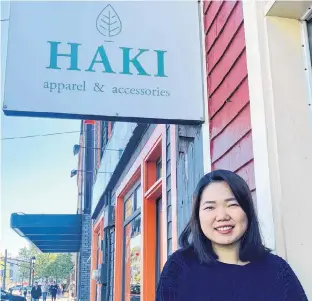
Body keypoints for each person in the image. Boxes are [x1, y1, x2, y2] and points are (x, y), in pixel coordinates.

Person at [155, 169, 308, 301]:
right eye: (210, 207)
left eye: (232, 204)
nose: (222, 216)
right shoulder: (179, 268)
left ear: (247, 211)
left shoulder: (278, 270)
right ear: (198, 216)